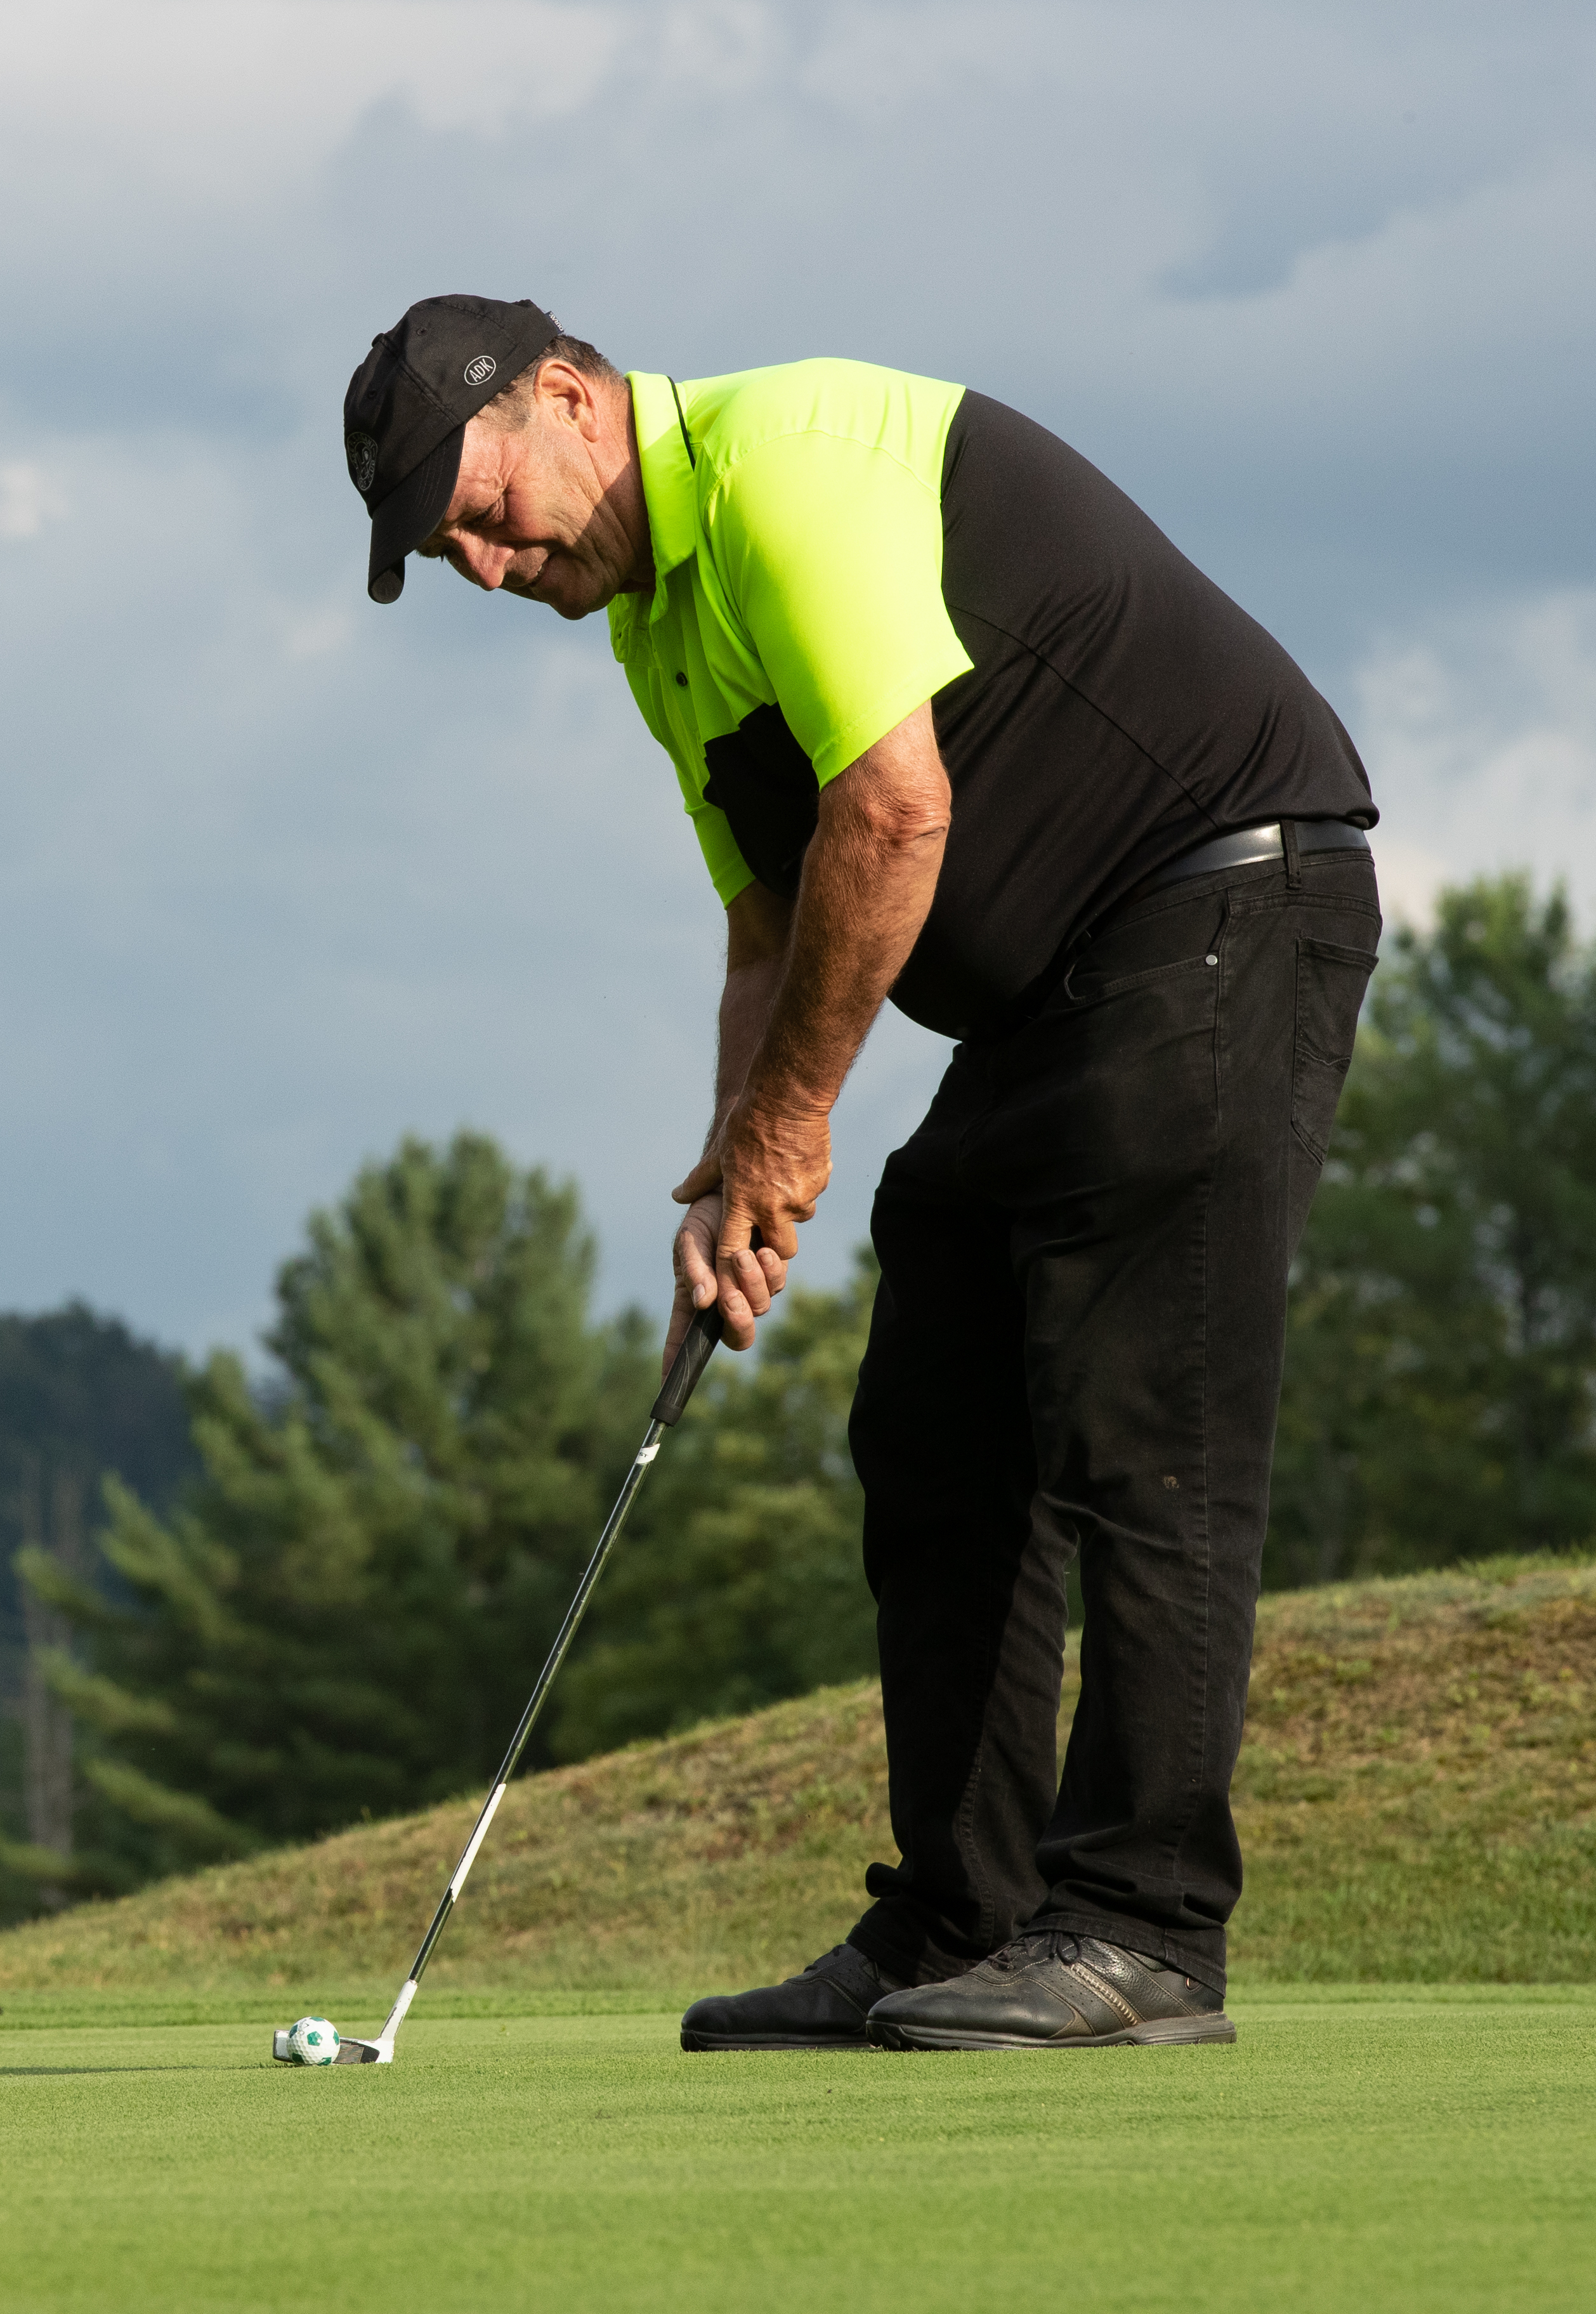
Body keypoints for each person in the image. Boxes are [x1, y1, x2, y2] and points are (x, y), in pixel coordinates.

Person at [341, 296, 1380, 2051]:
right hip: (1061, 992)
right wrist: (727, 1174)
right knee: (932, 1429)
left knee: (1143, 1438)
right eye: (440, 546)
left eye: (475, 503)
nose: (480, 564)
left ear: (574, 401)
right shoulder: (658, 633)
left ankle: (1140, 1934)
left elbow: (894, 812)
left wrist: (795, 1124)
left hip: (1222, 901)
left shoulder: (788, 467)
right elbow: (771, 915)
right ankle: (958, 1922)